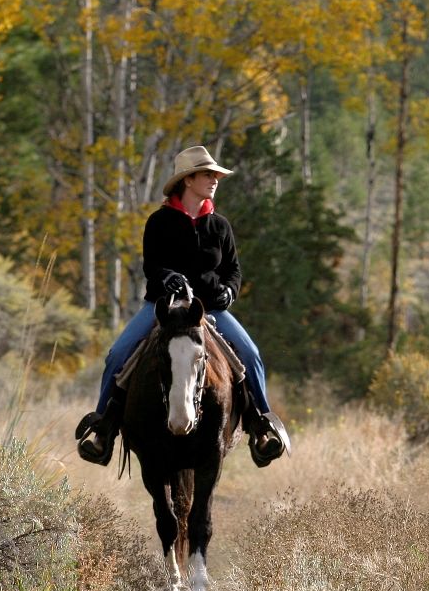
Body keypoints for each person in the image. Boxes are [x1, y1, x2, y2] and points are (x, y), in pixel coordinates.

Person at [75, 145, 290, 467]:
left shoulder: (220, 225)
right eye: (208, 174)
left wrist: (229, 293)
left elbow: (233, 269)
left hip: (211, 309)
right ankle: (104, 428)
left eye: (216, 175)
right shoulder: (159, 222)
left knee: (251, 354)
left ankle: (261, 426)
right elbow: (152, 267)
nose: (215, 180)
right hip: (163, 307)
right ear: (188, 180)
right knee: (118, 355)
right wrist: (168, 277)